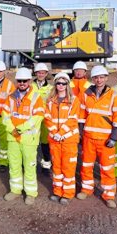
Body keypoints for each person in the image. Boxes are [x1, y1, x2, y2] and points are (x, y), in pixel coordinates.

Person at [71, 65, 117, 208]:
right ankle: (86, 189)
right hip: (89, 138)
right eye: (96, 77)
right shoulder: (86, 94)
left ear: (106, 78)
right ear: (92, 79)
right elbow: (81, 117)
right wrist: (82, 135)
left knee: (107, 169)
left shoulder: (114, 96)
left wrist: (114, 138)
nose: (99, 80)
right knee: (86, 166)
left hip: (106, 139)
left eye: (102, 77)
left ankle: (109, 195)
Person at [2, 68, 46, 205]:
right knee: (14, 166)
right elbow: (5, 116)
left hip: (28, 139)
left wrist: (20, 128)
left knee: (29, 166)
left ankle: (30, 193)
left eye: (24, 81)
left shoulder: (35, 97)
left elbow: (38, 117)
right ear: (17, 81)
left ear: (29, 81)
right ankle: (15, 190)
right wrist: (12, 129)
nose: (22, 83)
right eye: (19, 81)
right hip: (13, 138)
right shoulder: (11, 97)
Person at [44, 72, 79, 204]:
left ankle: (68, 194)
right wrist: (54, 132)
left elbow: (73, 119)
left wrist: (61, 133)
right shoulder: (50, 101)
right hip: (54, 140)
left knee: (68, 167)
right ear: (55, 84)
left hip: (68, 140)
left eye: (63, 83)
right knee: (57, 167)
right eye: (58, 82)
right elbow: (47, 118)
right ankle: (57, 191)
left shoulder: (74, 101)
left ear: (67, 85)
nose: (61, 85)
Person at [33, 62, 54, 174]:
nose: (41, 74)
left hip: (45, 118)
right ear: (35, 73)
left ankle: (46, 165)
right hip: (32, 118)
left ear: (46, 74)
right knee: (32, 141)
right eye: (39, 72)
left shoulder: (51, 88)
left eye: (43, 73)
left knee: (45, 142)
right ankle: (30, 163)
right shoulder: (30, 86)